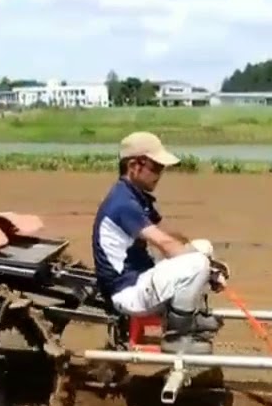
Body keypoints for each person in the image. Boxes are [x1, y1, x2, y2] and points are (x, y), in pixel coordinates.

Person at [91, 131, 228, 354]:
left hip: (141, 279)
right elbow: (165, 244)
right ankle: (177, 336)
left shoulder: (135, 196)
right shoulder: (123, 203)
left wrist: (207, 258)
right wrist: (208, 269)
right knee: (197, 263)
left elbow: (169, 234)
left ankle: (193, 316)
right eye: (155, 167)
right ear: (134, 165)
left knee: (203, 248)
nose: (160, 174)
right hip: (127, 293)